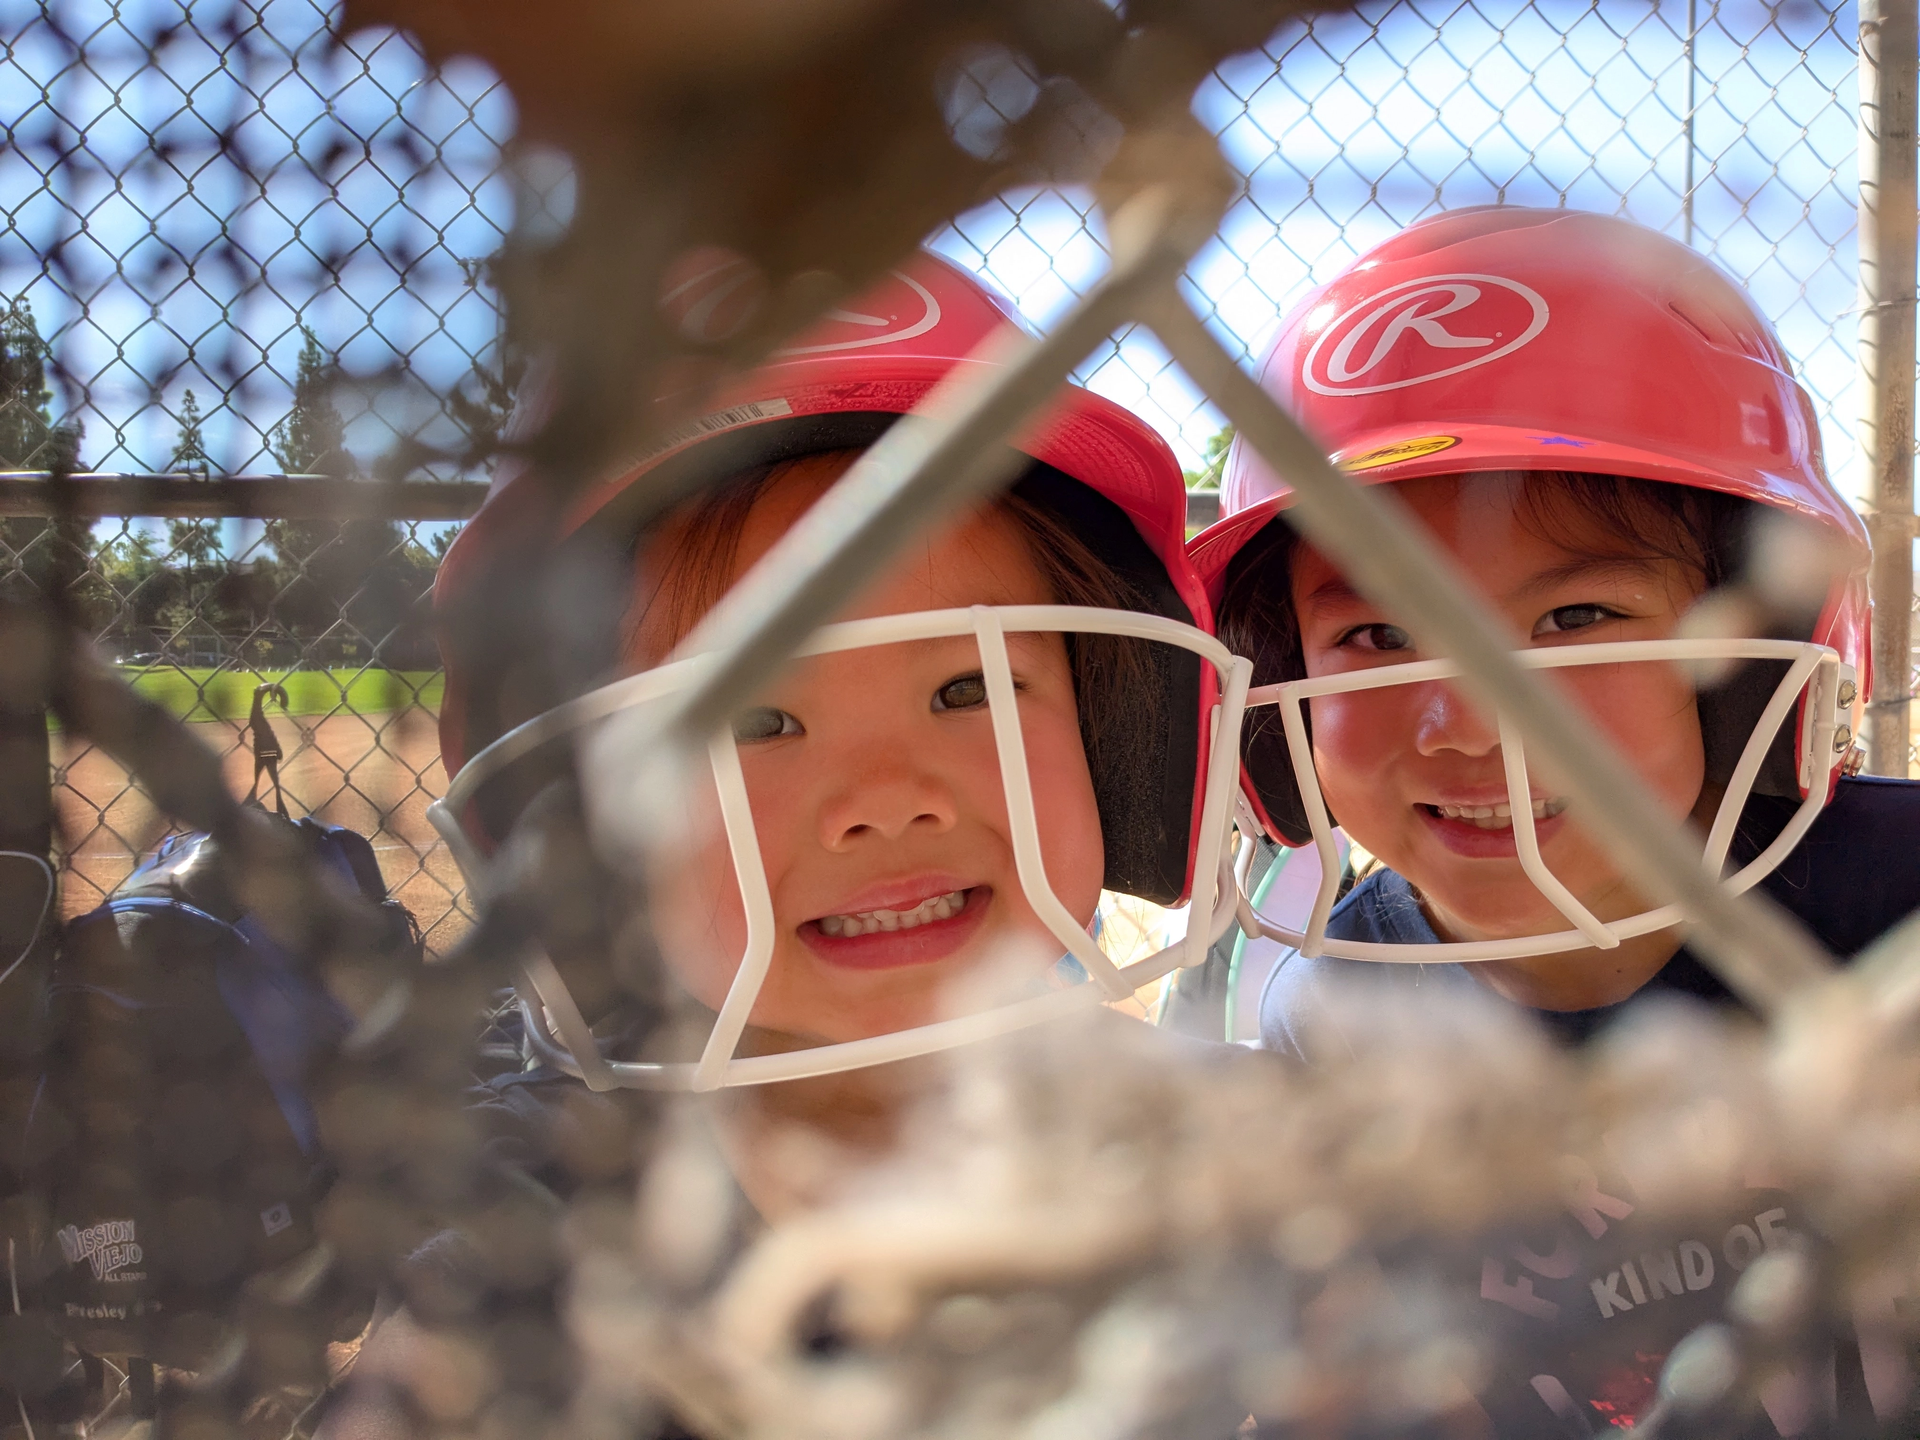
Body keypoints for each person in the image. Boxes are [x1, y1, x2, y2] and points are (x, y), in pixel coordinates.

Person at [316, 252, 1247, 1438]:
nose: (886, 801)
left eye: (970, 691)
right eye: (751, 720)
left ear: (1124, 733)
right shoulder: (529, 1285)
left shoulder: (1265, 1173)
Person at [1181, 207, 1920, 1434]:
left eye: (1576, 620)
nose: (1463, 720)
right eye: (1376, 636)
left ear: (1749, 660)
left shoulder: (1897, 905)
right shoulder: (1350, 1016)